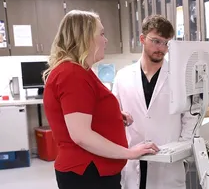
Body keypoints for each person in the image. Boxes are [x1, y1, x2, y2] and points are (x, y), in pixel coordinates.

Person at [42, 10, 159, 189]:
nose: (105, 40)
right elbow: (81, 136)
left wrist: (113, 116)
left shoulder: (80, 71)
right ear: (85, 37)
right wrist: (130, 153)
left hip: (93, 171)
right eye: (101, 34)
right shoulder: (72, 74)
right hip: (88, 174)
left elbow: (82, 112)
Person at [112, 15, 197, 189]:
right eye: (156, 41)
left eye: (166, 43)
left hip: (167, 164)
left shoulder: (180, 76)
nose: (161, 48)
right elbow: (113, 117)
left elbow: (190, 119)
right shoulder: (123, 76)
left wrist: (180, 150)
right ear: (142, 39)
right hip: (134, 161)